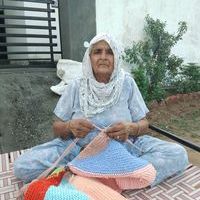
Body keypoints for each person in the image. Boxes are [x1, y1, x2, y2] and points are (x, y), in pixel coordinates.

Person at [14, 33, 189, 186]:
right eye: (97, 52)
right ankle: (115, 175)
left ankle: (92, 175)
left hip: (125, 149)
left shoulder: (127, 83)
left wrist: (130, 128)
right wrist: (69, 127)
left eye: (110, 52)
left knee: (178, 154)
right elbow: (57, 127)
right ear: (89, 58)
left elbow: (144, 124)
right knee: (23, 166)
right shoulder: (76, 86)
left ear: (116, 58)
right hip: (79, 151)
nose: (103, 57)